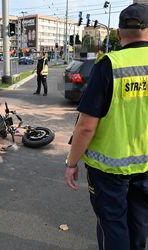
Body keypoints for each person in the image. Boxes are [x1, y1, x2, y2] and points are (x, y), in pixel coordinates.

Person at [64, 3, 148, 250]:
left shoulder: (109, 64)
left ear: (119, 34)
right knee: (140, 223)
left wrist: (71, 163)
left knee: (113, 225)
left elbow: (86, 127)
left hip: (109, 170)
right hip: (146, 166)